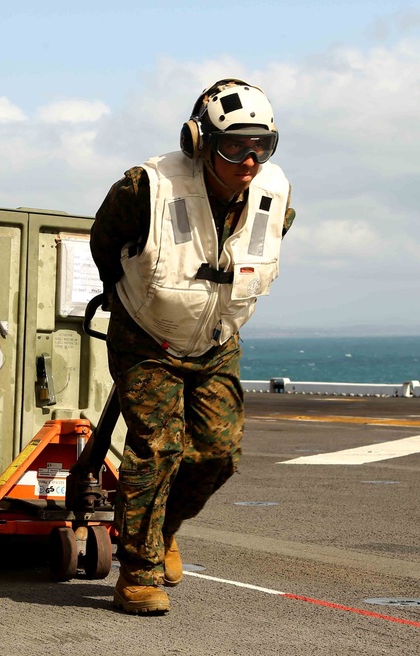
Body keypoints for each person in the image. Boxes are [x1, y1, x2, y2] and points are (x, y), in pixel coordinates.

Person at [90, 78, 295, 614]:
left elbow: (270, 238)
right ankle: (136, 571)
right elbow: (104, 242)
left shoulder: (275, 196)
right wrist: (129, 296)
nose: (249, 161)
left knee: (218, 454)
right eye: (234, 146)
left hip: (215, 340)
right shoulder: (144, 188)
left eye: (262, 147)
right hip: (146, 334)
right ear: (198, 141)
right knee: (157, 447)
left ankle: (164, 529)